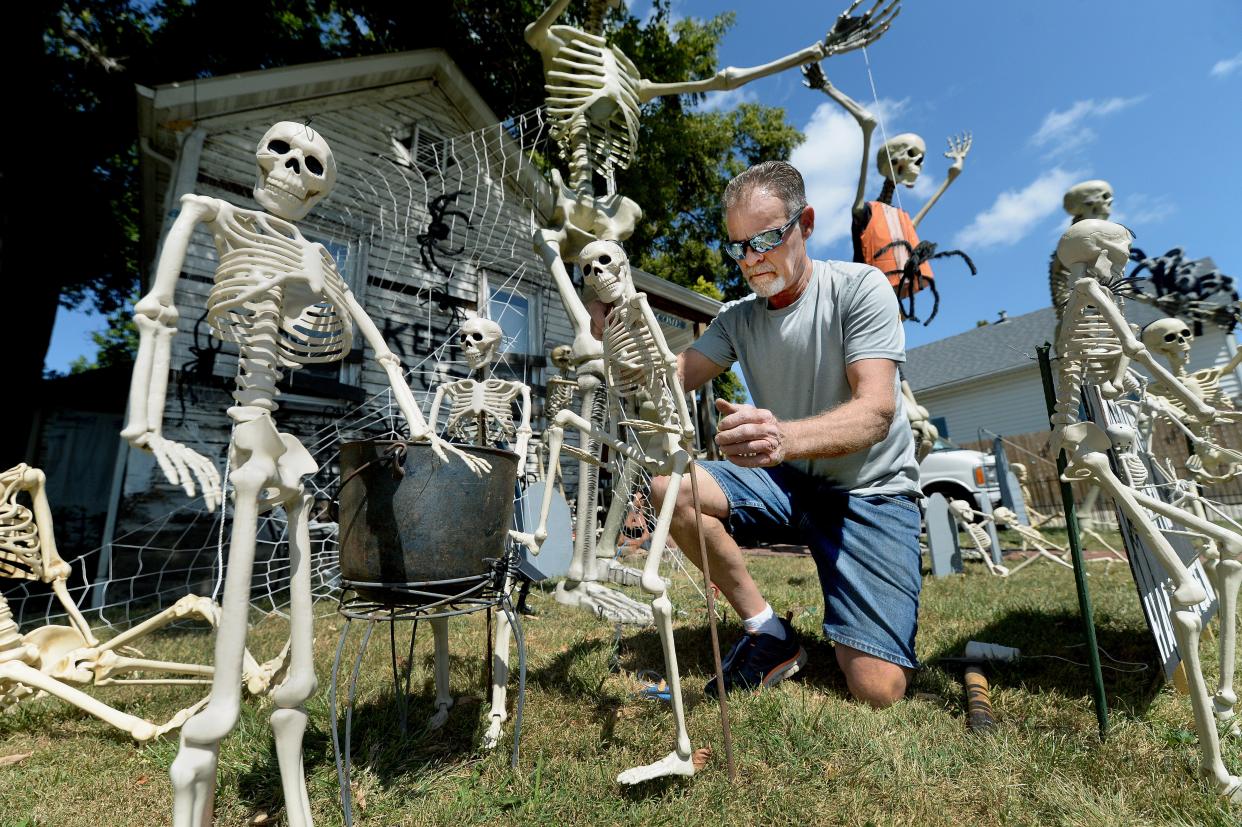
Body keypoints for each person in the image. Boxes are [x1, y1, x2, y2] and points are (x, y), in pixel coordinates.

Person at [649, 160, 922, 707]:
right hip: (789, 483)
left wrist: (781, 438)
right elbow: (671, 380)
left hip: (870, 493)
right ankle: (767, 631)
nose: (752, 260)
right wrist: (610, 337)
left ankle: (862, 602)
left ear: (807, 223)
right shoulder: (737, 319)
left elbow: (875, 413)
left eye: (767, 238)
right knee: (670, 489)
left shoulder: (860, 288)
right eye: (739, 246)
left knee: (878, 690)